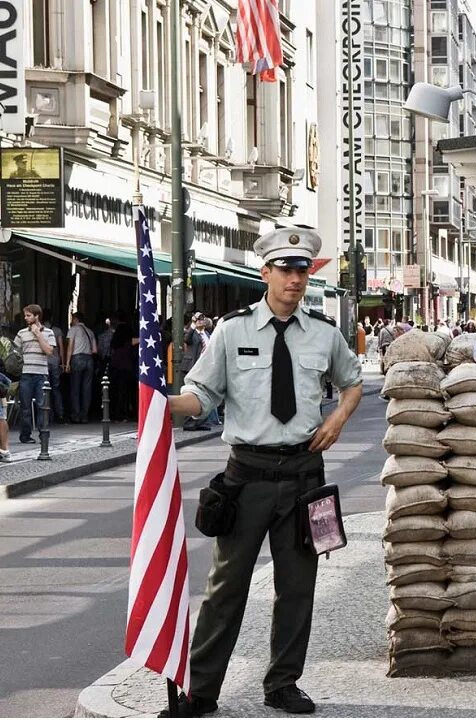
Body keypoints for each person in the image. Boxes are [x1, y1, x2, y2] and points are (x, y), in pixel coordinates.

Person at [169, 228, 362, 717]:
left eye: (302, 270)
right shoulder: (232, 331)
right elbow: (203, 396)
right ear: (266, 274)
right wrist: (166, 407)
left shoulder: (323, 333)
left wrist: (337, 419)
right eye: (286, 269)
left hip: (304, 477)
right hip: (247, 477)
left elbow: (353, 382)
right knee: (225, 588)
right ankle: (201, 691)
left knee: (297, 586)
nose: (295, 279)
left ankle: (282, 684)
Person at [15, 305, 56, 444]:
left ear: (37, 316)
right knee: (25, 407)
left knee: (42, 406)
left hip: (41, 374)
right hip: (26, 373)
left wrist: (38, 334)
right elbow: (15, 353)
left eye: (28, 315)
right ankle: (25, 436)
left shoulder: (49, 332)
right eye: (25, 315)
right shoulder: (21, 333)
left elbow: (49, 351)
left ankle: (43, 434)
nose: (25, 318)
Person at [64, 312, 98, 423]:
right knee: (86, 389)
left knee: (75, 388)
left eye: (72, 319)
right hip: (89, 359)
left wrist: (67, 363)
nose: (71, 321)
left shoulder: (73, 329)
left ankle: (76, 415)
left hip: (77, 358)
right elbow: (95, 350)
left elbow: (70, 346)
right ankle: (85, 416)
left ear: (76, 319)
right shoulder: (90, 332)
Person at [45, 320, 65, 423]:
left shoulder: (40, 330)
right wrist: (63, 362)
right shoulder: (57, 330)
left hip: (44, 362)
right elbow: (61, 347)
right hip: (55, 361)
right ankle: (60, 414)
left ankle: (47, 415)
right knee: (56, 389)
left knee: (45, 389)